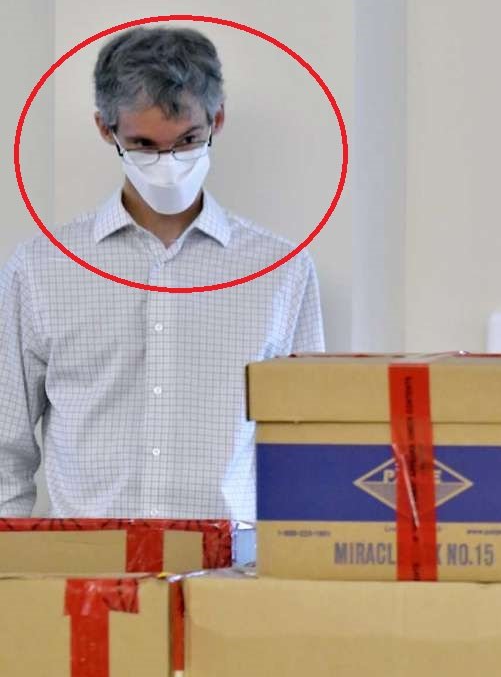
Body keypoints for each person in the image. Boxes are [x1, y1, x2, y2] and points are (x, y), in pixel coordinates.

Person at [0, 26, 324, 520]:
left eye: (188, 140)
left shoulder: (282, 271)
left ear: (217, 119)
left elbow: (306, 443)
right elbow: (6, 449)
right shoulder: (40, 268)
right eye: (144, 144)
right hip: (87, 562)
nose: (168, 164)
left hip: (231, 561)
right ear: (106, 129)